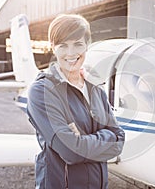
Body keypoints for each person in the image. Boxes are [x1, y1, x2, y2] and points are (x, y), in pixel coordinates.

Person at [27, 14, 125, 189]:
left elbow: (119, 140)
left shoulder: (96, 89)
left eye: (78, 44)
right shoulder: (42, 91)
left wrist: (83, 140)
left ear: (87, 45)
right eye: (63, 45)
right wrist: (104, 138)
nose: (71, 53)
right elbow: (70, 151)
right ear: (53, 48)